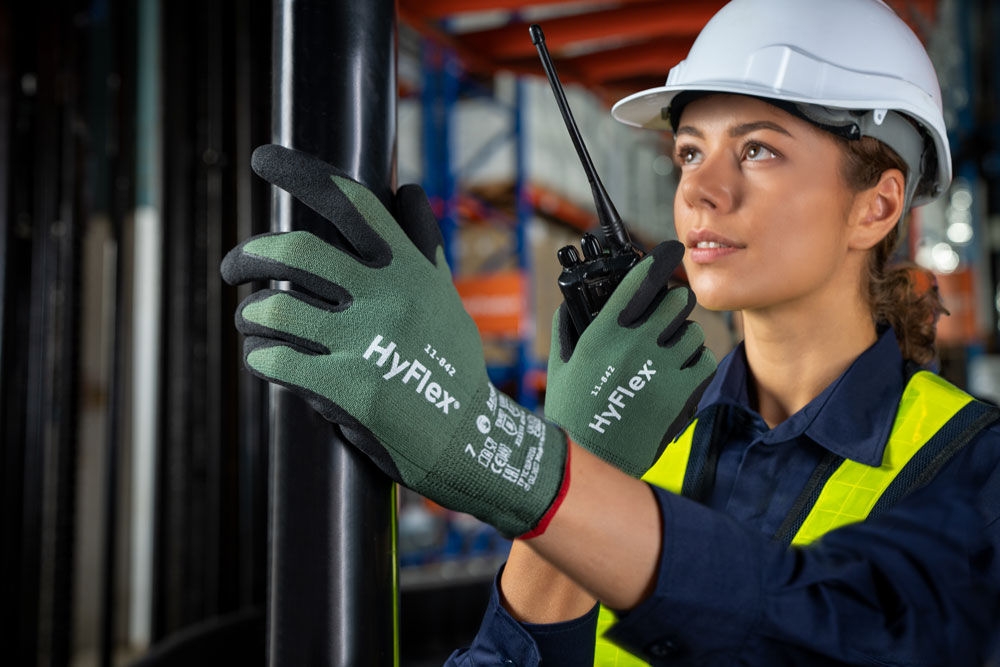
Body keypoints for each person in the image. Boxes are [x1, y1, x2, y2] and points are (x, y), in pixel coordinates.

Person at [221, 0, 1000, 664]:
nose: (700, 189)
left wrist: (500, 450)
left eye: (758, 149)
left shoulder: (974, 467)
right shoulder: (640, 436)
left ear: (878, 205)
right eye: (690, 151)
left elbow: (822, 622)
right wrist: (581, 448)